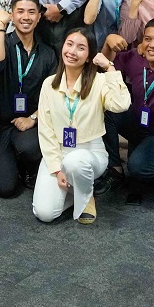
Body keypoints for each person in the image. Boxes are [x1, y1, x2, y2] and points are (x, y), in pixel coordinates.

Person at [32, 28, 130, 224]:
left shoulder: (99, 81)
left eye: (81, 48)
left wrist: (109, 67)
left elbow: (121, 104)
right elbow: (46, 130)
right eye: (69, 44)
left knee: (75, 161)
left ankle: (86, 196)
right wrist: (56, 169)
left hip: (89, 152)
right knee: (45, 213)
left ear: (89, 56)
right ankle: (76, 191)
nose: (72, 51)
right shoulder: (49, 84)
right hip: (58, 151)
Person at [96, 18, 154, 203]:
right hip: (139, 124)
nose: (152, 45)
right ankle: (115, 168)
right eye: (147, 39)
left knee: (139, 168)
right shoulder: (136, 57)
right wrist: (108, 42)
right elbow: (105, 67)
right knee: (107, 108)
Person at [0, 0, 57, 195]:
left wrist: (33, 118)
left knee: (29, 148)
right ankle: (6, 161)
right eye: (20, 12)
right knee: (5, 188)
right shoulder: (2, 42)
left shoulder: (48, 53)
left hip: (28, 122)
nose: (26, 17)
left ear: (39, 17)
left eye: (32, 12)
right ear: (12, 15)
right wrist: (0, 24)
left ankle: (28, 165)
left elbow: (53, 95)